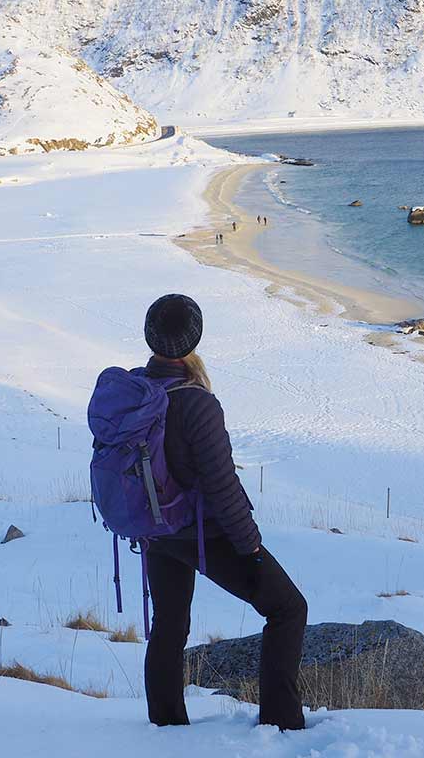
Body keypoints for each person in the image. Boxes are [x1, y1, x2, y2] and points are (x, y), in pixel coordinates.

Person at [139, 293, 308, 731]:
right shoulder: (197, 404)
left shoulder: (136, 390)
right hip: (201, 533)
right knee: (288, 609)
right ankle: (282, 724)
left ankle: (166, 727)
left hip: (154, 531)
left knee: (170, 622)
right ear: (194, 339)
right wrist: (250, 548)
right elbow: (222, 488)